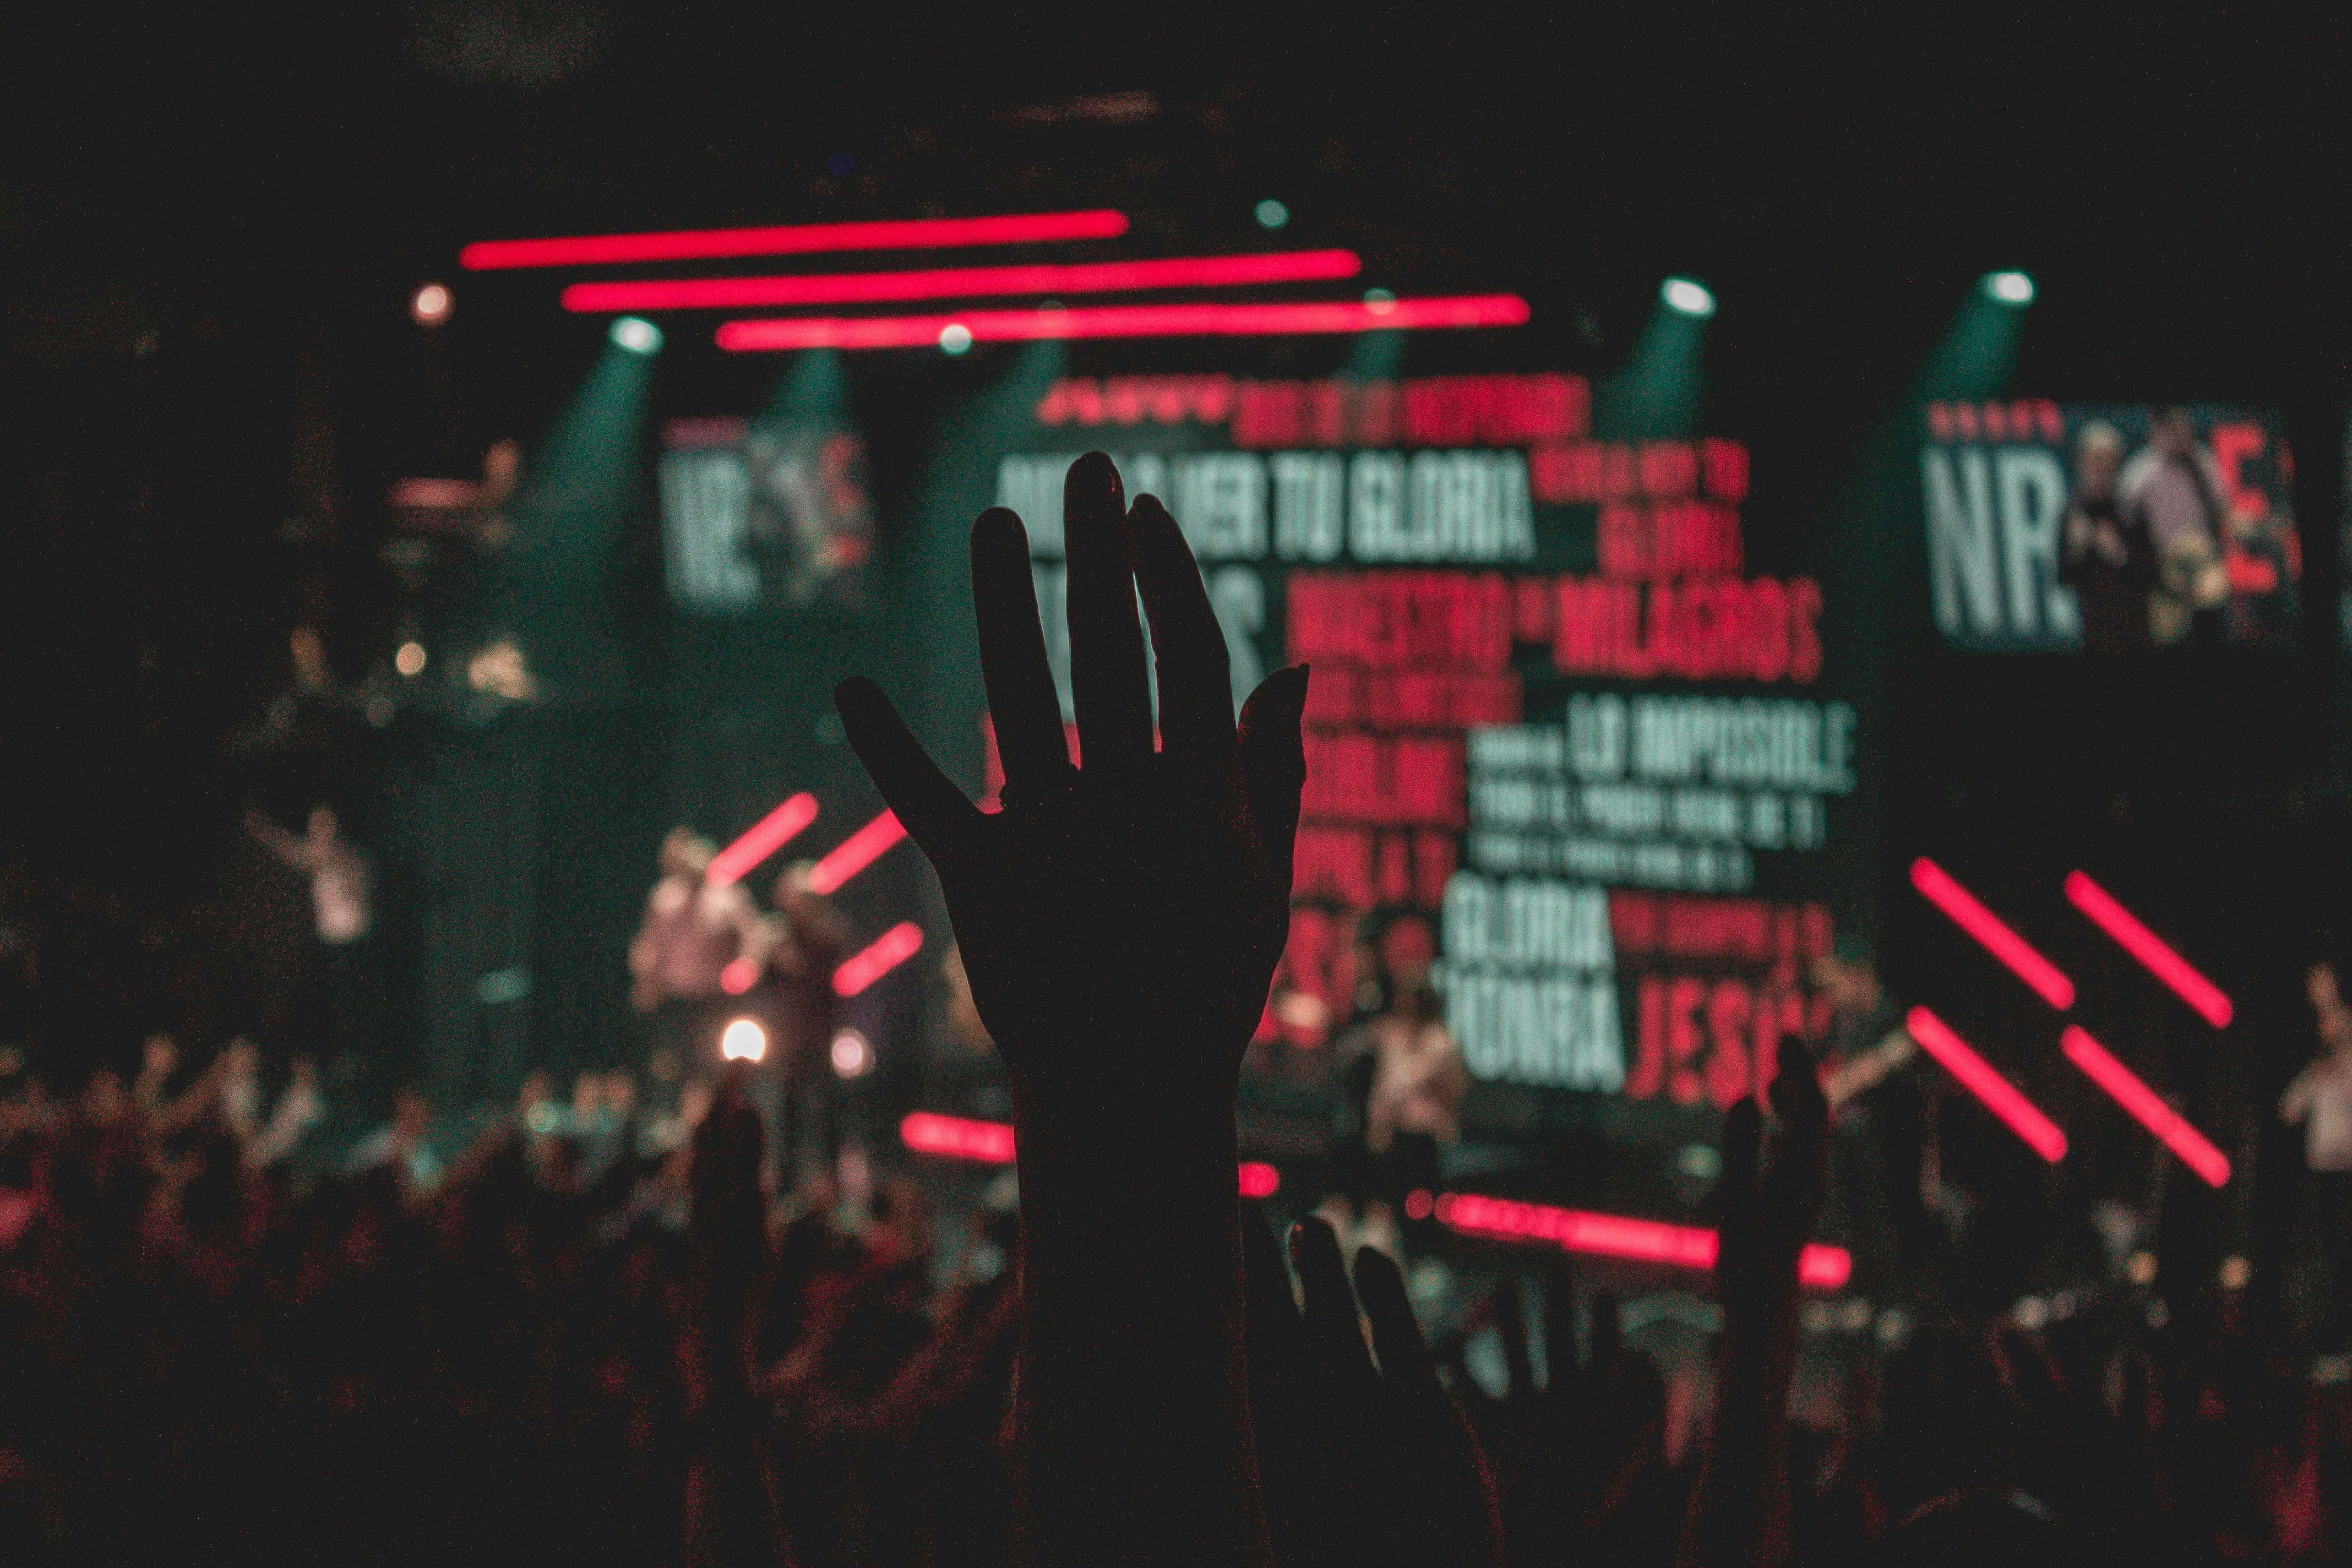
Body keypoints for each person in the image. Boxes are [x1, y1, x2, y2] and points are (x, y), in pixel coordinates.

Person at [627, 827, 766, 1068]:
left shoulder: (729, 898)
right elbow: (649, 943)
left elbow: (754, 937)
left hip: (713, 998)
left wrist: (746, 968)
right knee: (668, 1063)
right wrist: (645, 978)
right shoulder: (666, 896)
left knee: (708, 1061)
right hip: (672, 996)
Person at [763, 859, 850, 1183]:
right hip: (786, 1039)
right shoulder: (776, 936)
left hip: (819, 1037)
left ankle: (831, 1182)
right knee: (786, 1113)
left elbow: (826, 981)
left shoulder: (830, 934)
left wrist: (790, 961)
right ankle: (786, 1180)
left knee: (826, 1113)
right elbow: (765, 982)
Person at [2280, 960, 2352, 1348]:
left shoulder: (2345, 1050)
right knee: (2320, 1255)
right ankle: (2322, 1336)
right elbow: (2289, 1110)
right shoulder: (2318, 1060)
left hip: (2345, 1168)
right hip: (2322, 1166)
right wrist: (2317, 1073)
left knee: (2342, 1254)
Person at [2121, 407, 2234, 646]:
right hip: (2165, 569)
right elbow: (2126, 519)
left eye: (2182, 428)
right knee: (2170, 638)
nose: (2178, 435)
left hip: (2202, 560)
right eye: (2171, 429)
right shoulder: (2142, 469)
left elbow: (2222, 510)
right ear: (2158, 432)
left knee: (2212, 626)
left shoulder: (2201, 461)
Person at [2057, 420, 2156, 652]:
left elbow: (2153, 575)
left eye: (2107, 462)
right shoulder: (2073, 514)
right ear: (2082, 464)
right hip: (2094, 633)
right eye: (2094, 462)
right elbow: (2063, 577)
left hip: (2136, 633)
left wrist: (2120, 555)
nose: (2100, 470)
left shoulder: (2131, 512)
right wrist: (2076, 550)